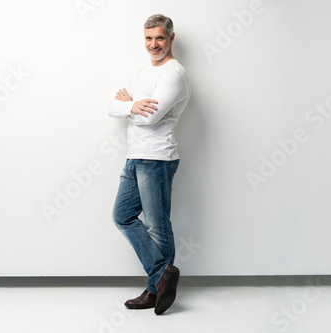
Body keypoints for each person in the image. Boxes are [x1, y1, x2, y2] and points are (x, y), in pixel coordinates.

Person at [108, 14, 191, 315]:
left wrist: (130, 106)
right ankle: (161, 278)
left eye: (159, 38)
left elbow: (152, 116)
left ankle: (156, 288)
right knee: (122, 216)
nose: (153, 44)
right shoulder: (139, 71)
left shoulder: (174, 74)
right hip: (134, 156)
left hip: (158, 157)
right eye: (148, 39)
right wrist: (133, 105)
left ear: (171, 38)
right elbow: (111, 106)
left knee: (157, 225)